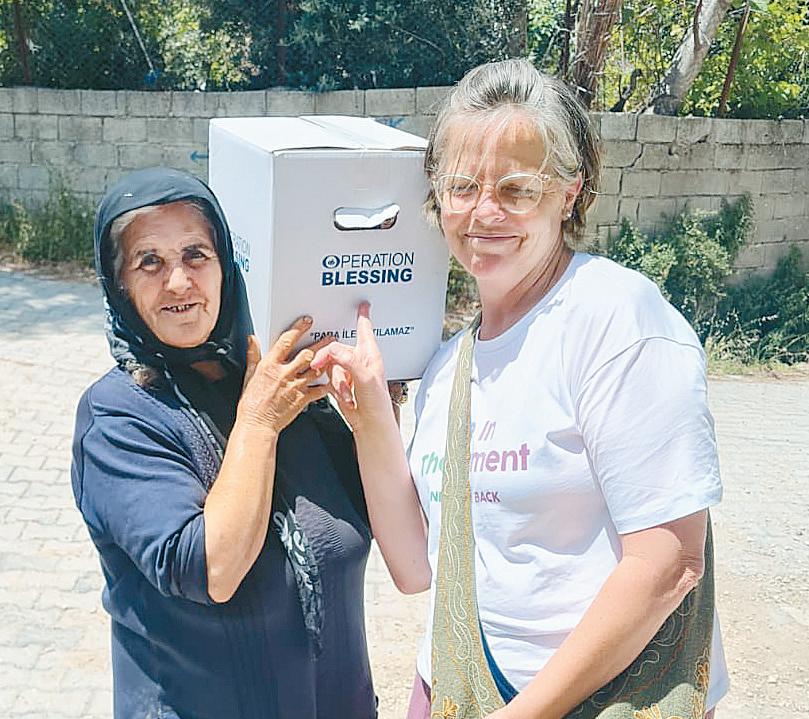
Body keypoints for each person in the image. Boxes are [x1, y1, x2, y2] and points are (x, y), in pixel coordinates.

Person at [312, 59, 729, 718]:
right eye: (462, 185)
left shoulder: (615, 321)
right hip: (455, 688)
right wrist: (368, 414)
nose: (484, 211)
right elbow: (416, 567)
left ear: (569, 193)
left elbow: (670, 560)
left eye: (516, 188)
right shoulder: (447, 366)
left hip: (596, 700)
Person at [70, 167, 377, 719]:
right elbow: (213, 569)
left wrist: (378, 408)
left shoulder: (278, 380)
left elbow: (387, 517)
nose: (179, 282)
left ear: (226, 265)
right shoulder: (117, 418)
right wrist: (258, 422)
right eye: (149, 262)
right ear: (119, 285)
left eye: (196, 255)